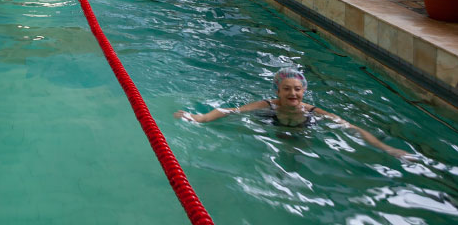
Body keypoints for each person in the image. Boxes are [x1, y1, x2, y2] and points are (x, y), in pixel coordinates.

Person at [174, 67, 411, 159]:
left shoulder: (314, 111)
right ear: (277, 90)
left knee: (294, 155)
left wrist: (386, 149)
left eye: (297, 89)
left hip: (303, 130)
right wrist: (199, 118)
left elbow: (353, 129)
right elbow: (230, 111)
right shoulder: (267, 105)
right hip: (271, 125)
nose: (293, 93)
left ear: (304, 91)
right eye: (286, 89)